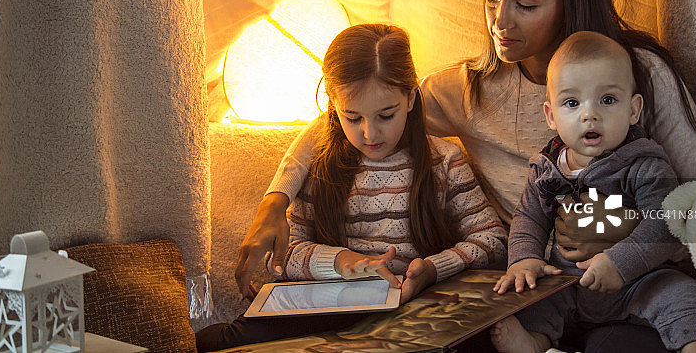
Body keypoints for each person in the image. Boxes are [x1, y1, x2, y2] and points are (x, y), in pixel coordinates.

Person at [234, 0, 696, 351]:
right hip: (530, 289)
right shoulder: (466, 90)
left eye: (525, 4)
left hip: (634, 282)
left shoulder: (634, 73)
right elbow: (347, 118)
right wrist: (275, 201)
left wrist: (613, 226)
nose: (500, 21)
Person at [197, 23, 507, 351]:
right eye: (353, 117)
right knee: (219, 343)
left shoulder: (444, 161)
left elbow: (492, 240)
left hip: (411, 307)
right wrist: (341, 261)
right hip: (330, 303)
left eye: (386, 115)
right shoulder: (320, 164)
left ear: (411, 98)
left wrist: (431, 269)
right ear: (333, 106)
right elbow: (287, 253)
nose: (370, 134)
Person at [490, 31, 696, 353]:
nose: (589, 114)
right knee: (531, 299)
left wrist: (620, 262)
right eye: (571, 103)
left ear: (633, 110)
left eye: (608, 100)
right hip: (567, 280)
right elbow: (529, 217)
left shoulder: (643, 164)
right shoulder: (546, 168)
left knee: (684, 298)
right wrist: (524, 260)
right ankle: (534, 342)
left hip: (640, 280)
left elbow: (665, 223)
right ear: (551, 116)